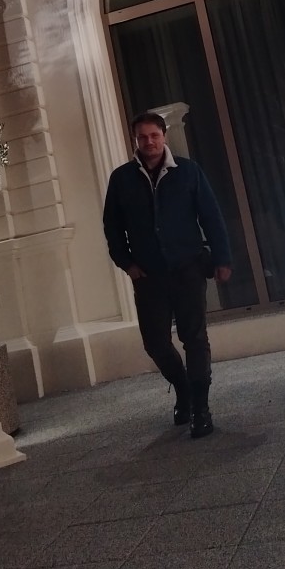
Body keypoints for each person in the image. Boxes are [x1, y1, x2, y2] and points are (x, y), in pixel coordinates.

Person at [103, 111, 232, 438]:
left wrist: (222, 258)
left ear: (164, 136)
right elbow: (112, 227)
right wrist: (126, 263)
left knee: (195, 338)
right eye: (142, 137)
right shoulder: (121, 179)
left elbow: (211, 216)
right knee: (155, 343)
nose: (149, 142)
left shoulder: (188, 172)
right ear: (135, 140)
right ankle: (183, 389)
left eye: (154, 135)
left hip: (188, 268)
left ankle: (200, 408)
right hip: (148, 276)